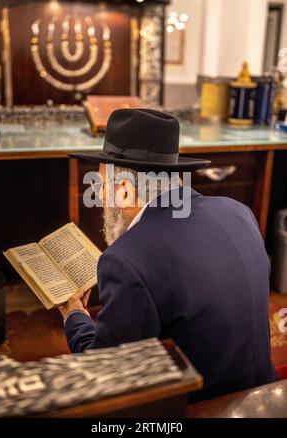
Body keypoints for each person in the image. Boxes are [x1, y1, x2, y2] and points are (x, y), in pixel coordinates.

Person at [59, 108, 277, 401]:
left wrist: (75, 317)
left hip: (203, 407)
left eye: (101, 185)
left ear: (125, 188)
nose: (98, 197)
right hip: (267, 392)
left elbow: (107, 372)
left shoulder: (126, 260)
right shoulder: (238, 212)